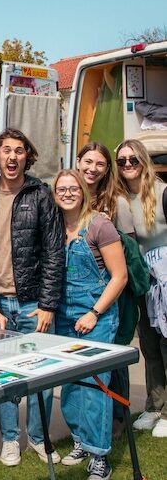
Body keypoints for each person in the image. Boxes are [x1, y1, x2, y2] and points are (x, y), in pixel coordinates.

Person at [0, 129, 64, 466]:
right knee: (2, 375)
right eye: (6, 150)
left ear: (27, 157)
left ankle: (38, 436)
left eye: (19, 151)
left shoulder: (40, 195)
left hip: (33, 304)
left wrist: (47, 304)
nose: (13, 156)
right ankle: (9, 439)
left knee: (41, 375)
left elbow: (54, 252)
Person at [52, 169, 127, 479]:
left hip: (97, 316)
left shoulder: (99, 226)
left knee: (95, 385)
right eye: (61, 189)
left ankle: (99, 456)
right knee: (70, 385)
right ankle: (81, 440)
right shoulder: (55, 225)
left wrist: (94, 312)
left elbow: (119, 276)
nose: (67, 193)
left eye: (73, 188)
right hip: (64, 316)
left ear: (83, 190)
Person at [76, 141, 149, 438]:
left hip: (113, 292)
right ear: (78, 162)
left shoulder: (116, 202)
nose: (92, 168)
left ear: (107, 170)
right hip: (78, 291)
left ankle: (118, 416)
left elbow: (130, 251)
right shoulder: (69, 193)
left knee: (114, 354)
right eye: (88, 162)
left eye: (100, 164)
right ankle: (88, 416)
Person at [114, 139, 167, 438]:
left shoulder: (163, 193)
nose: (128, 165)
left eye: (133, 159)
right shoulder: (119, 198)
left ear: (143, 161)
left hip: (166, 282)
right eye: (122, 161)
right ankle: (154, 405)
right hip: (143, 283)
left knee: (166, 344)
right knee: (149, 346)